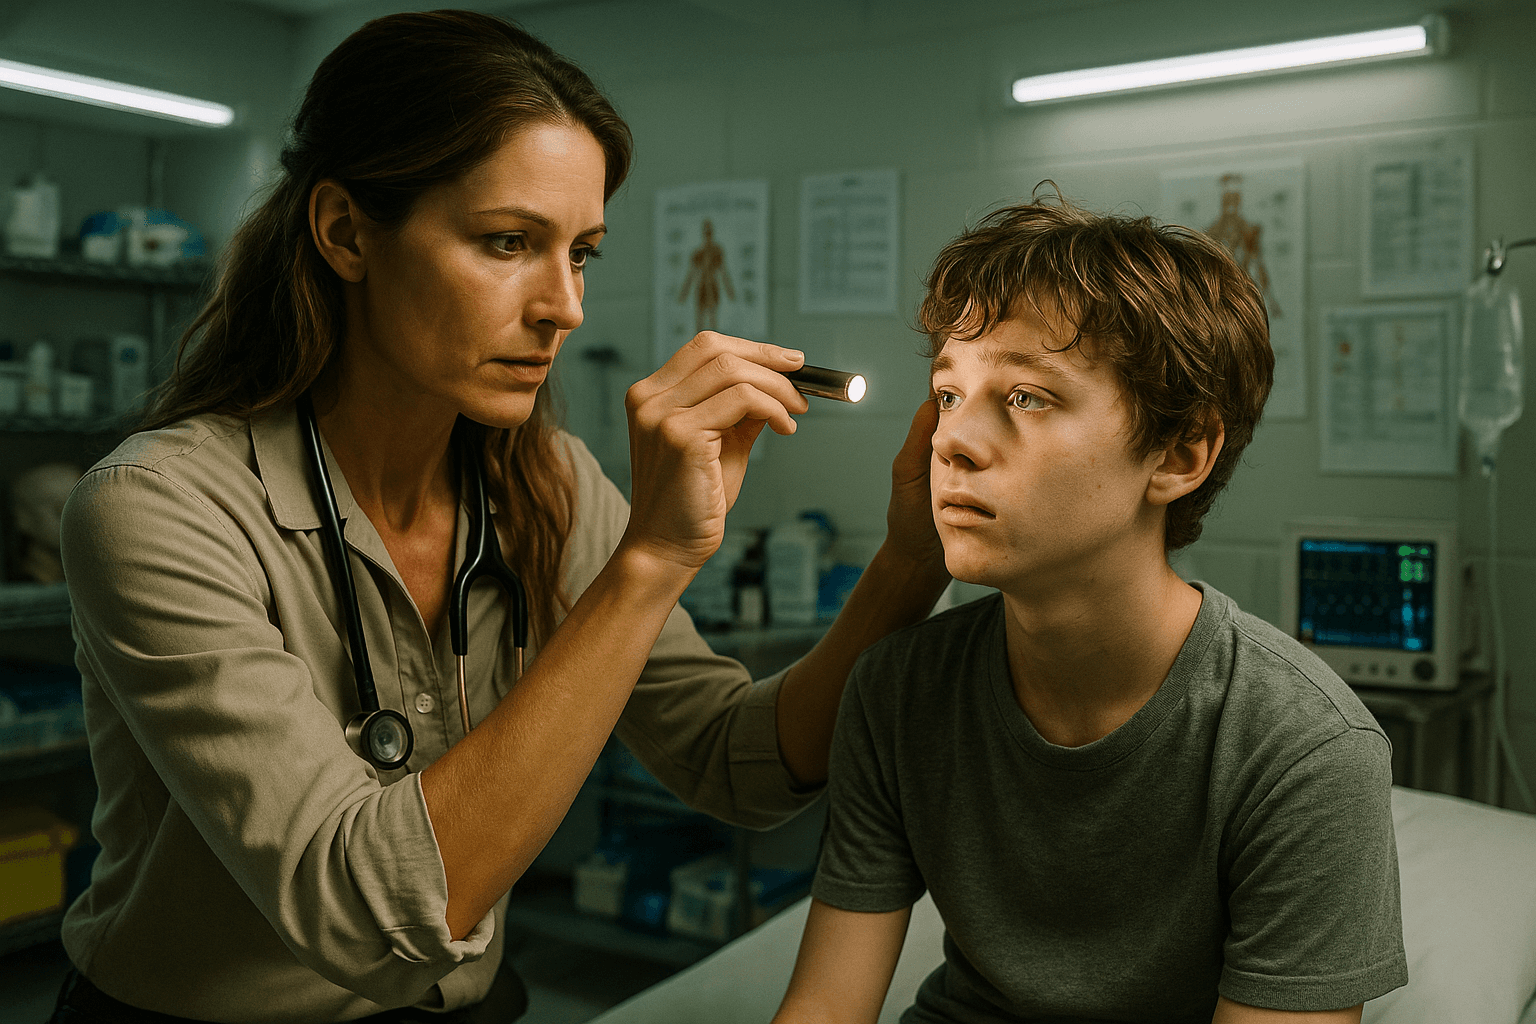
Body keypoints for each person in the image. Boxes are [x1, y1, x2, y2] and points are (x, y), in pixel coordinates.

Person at [51, 11, 949, 1022]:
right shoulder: (157, 508)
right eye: (508, 242)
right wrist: (651, 558)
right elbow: (371, 918)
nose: (564, 305)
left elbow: (736, 762)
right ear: (346, 231)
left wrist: (910, 562)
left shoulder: (550, 484)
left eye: (583, 253)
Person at [771, 192, 1408, 1024]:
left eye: (1026, 397)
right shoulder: (898, 690)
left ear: (1179, 453)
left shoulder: (1305, 749)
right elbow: (824, 1006)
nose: (950, 442)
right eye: (949, 394)